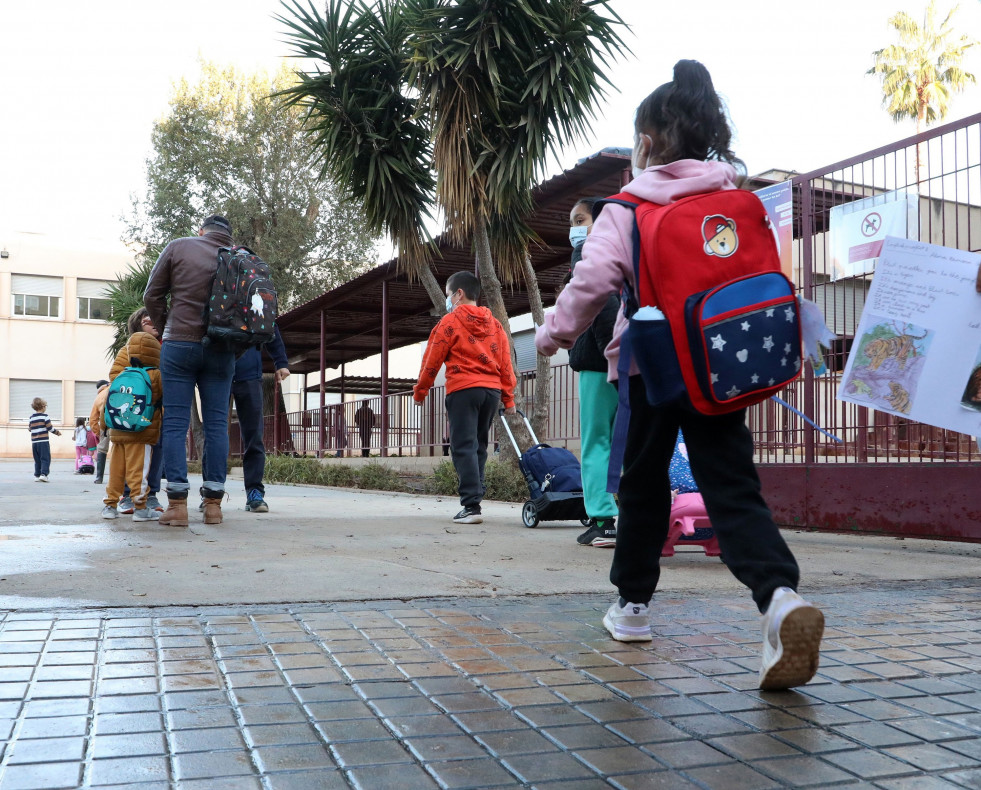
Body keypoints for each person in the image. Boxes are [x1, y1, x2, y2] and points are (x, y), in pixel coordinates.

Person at [535, 60, 825, 691]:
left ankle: (632, 608)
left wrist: (550, 334)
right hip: (723, 365)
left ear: (645, 142)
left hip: (650, 366)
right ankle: (778, 598)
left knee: (643, 484)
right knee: (732, 486)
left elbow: (592, 285)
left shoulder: (628, 207)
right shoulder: (739, 199)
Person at [144, 214, 238, 527]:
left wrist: (163, 326)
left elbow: (152, 295)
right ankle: (213, 504)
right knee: (216, 424)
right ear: (227, 236)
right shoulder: (239, 257)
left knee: (175, 422)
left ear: (202, 231)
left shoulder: (180, 247)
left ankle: (177, 505)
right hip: (222, 349)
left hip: (180, 345)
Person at [413, 271, 517, 524]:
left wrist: (421, 391)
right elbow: (506, 363)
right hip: (491, 392)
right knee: (479, 445)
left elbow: (432, 359)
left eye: (449, 294)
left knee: (462, 446)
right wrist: (508, 399)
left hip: (463, 390)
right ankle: (476, 498)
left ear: (459, 294)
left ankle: (471, 506)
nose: (448, 300)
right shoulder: (495, 324)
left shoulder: (450, 323)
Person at [568, 197, 620, 549]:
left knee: (596, 442)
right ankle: (622, 515)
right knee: (623, 444)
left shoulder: (587, 251)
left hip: (599, 364)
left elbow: (601, 302)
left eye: (579, 218)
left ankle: (603, 519)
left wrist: (607, 349)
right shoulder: (624, 253)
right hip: (629, 363)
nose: (573, 228)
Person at [202, 325, 289, 513]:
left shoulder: (252, 298)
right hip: (216, 372)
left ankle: (255, 493)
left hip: (249, 374)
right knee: (214, 434)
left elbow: (269, 326)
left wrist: (280, 361)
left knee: (254, 436)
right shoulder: (213, 295)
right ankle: (210, 492)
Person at [98, 313, 163, 522]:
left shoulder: (123, 361)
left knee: (116, 470)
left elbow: (111, 387)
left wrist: (103, 425)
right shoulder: (156, 373)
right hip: (142, 430)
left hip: (117, 429)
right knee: (139, 471)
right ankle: (141, 507)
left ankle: (109, 505)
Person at [28, 397, 61, 482]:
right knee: (45, 458)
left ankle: (37, 475)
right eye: (45, 406)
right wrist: (57, 432)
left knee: (37, 459)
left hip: (34, 442)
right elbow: (50, 428)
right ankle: (44, 474)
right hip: (43, 442)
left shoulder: (31, 417)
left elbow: (30, 428)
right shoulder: (45, 417)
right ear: (42, 406)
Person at [90, 380, 110, 483]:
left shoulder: (99, 396)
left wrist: (99, 433)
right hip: (121, 424)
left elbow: (93, 420)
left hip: (106, 426)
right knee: (120, 449)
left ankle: (99, 477)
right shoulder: (116, 387)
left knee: (102, 449)